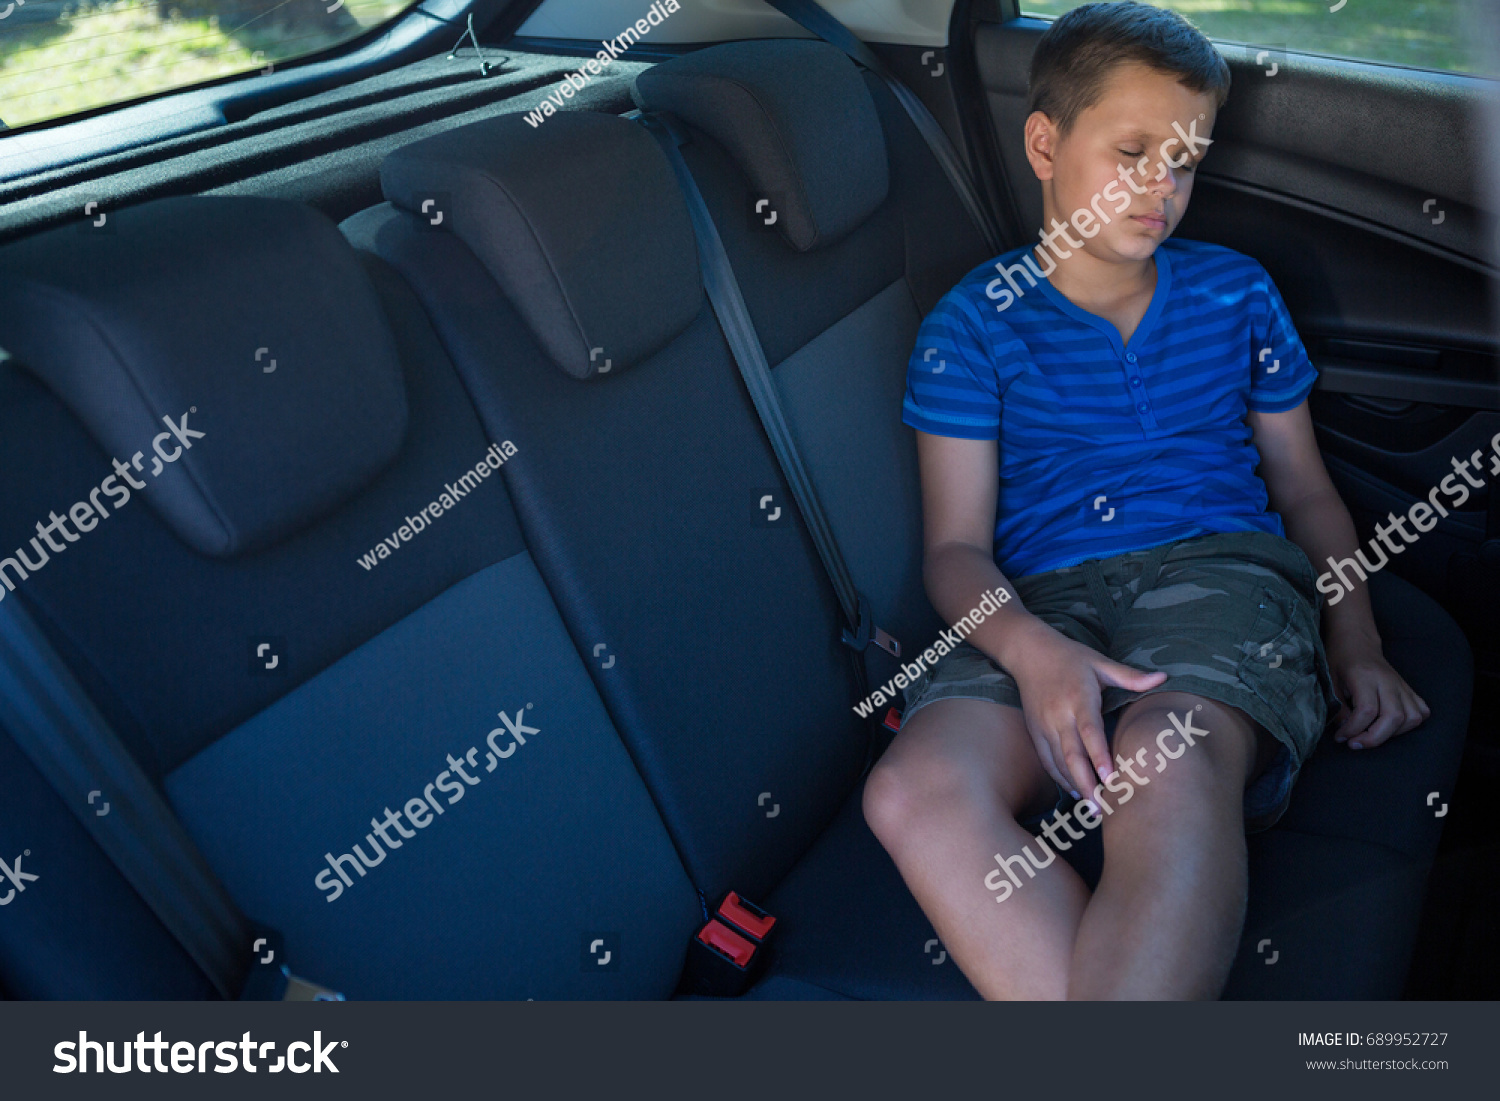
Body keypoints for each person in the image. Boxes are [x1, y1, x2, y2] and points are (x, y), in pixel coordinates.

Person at [862, 0, 1430, 1000]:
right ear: (1045, 143)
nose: (1160, 188)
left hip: (1221, 571)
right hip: (1039, 598)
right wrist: (1035, 655)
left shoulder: (1235, 293)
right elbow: (954, 551)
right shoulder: (973, 327)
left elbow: (1305, 490)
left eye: (1184, 159)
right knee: (912, 790)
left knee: (1162, 760)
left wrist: (1358, 643)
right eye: (1131, 152)